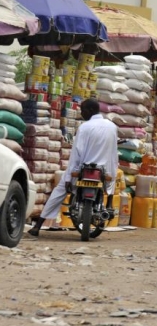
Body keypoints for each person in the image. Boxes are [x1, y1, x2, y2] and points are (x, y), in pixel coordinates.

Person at [28, 98, 118, 237]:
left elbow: (76, 154)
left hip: (83, 169)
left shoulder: (84, 127)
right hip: (103, 171)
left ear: (89, 110)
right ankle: (109, 205)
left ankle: (38, 226)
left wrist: (70, 176)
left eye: (82, 110)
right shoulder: (112, 127)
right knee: (111, 180)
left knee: (59, 191)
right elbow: (113, 155)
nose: (82, 114)